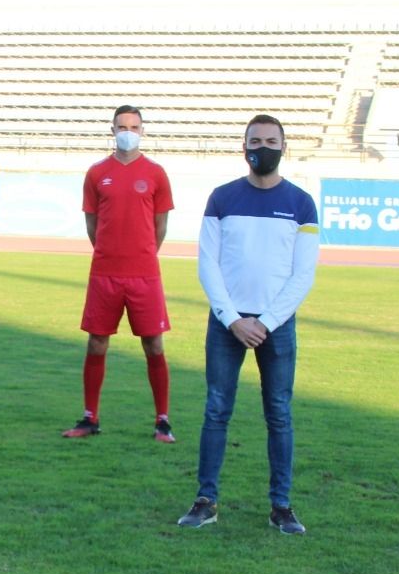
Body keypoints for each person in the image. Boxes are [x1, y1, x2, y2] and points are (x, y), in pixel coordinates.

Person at [178, 114, 319, 534]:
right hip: (228, 323)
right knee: (216, 410)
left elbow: (303, 274)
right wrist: (233, 319)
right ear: (244, 148)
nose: (263, 148)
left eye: (271, 141)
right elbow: (208, 264)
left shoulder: (301, 203)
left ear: (284, 147)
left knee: (279, 414)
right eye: (255, 141)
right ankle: (206, 500)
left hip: (277, 325)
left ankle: (282, 506)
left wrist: (267, 322)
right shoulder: (222, 198)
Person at [62, 105, 176, 442]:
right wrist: (110, 252)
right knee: (97, 342)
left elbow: (160, 225)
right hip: (105, 274)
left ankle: (162, 420)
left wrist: (141, 254)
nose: (128, 132)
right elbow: (92, 224)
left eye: (134, 127)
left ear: (142, 131)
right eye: (122, 126)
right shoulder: (97, 173)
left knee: (153, 344)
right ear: (112, 130)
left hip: (144, 275)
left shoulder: (156, 173)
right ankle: (90, 417)